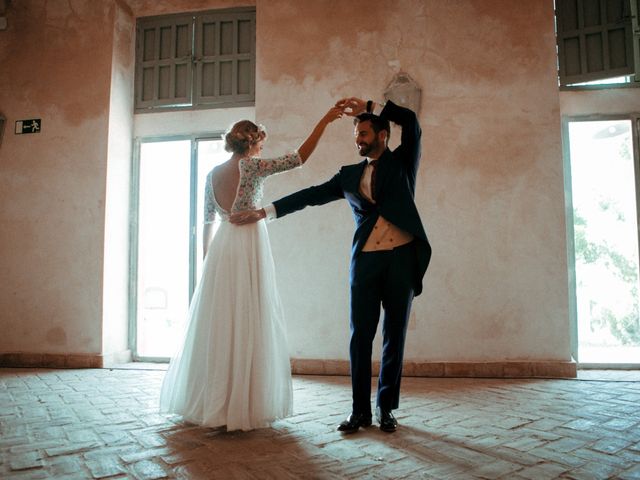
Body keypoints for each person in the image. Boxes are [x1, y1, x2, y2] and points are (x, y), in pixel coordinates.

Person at [230, 97, 431, 433]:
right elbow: (310, 194)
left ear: (383, 135)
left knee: (394, 337)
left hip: (402, 260)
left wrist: (371, 104)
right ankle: (359, 412)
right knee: (360, 337)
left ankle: (386, 409)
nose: (358, 140)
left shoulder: (404, 162)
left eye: (364, 133)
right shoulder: (349, 175)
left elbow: (411, 121)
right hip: (366, 262)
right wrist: (266, 212)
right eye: (356, 136)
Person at [159, 106, 344, 432]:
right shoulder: (254, 167)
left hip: (221, 250)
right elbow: (298, 158)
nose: (262, 147)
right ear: (252, 143)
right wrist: (325, 120)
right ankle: (244, 401)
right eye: (260, 142)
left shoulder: (212, 174)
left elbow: (205, 221)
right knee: (250, 316)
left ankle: (211, 399)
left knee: (220, 320)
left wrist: (207, 261)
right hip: (248, 244)